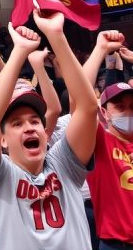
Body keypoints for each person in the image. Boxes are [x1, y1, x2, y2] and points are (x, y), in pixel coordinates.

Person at [0, 12, 98, 248]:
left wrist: (56, 35)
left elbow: (88, 108)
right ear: (2, 140)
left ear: (45, 129)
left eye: (34, 121)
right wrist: (19, 52)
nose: (29, 127)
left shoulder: (64, 163)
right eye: (17, 124)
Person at [80, 31, 132, 249]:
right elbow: (80, 98)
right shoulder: (99, 141)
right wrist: (100, 49)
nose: (128, 112)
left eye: (132, 107)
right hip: (116, 245)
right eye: (120, 107)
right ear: (104, 112)